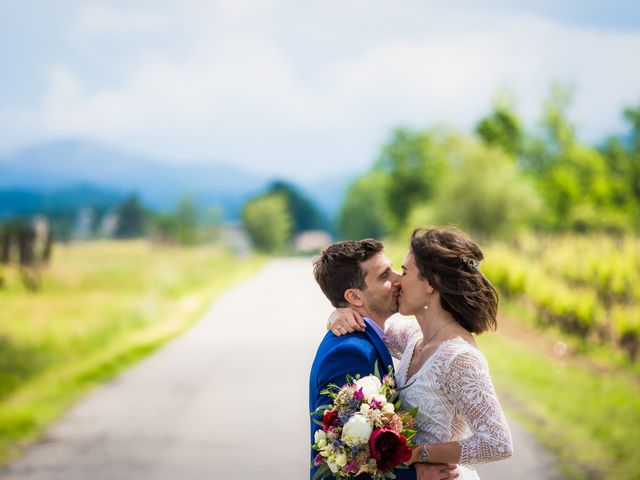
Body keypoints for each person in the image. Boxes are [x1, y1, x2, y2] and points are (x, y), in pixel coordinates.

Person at [328, 227, 513, 479]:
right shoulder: (414, 336)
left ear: (430, 284)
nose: (397, 281)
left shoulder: (459, 357)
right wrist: (341, 312)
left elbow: (498, 443)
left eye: (404, 272)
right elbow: (373, 323)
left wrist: (421, 453)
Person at [310, 239, 459, 480]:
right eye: (384, 276)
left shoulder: (374, 338)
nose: (399, 278)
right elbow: (340, 458)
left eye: (393, 269)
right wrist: (415, 476)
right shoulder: (350, 353)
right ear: (355, 297)